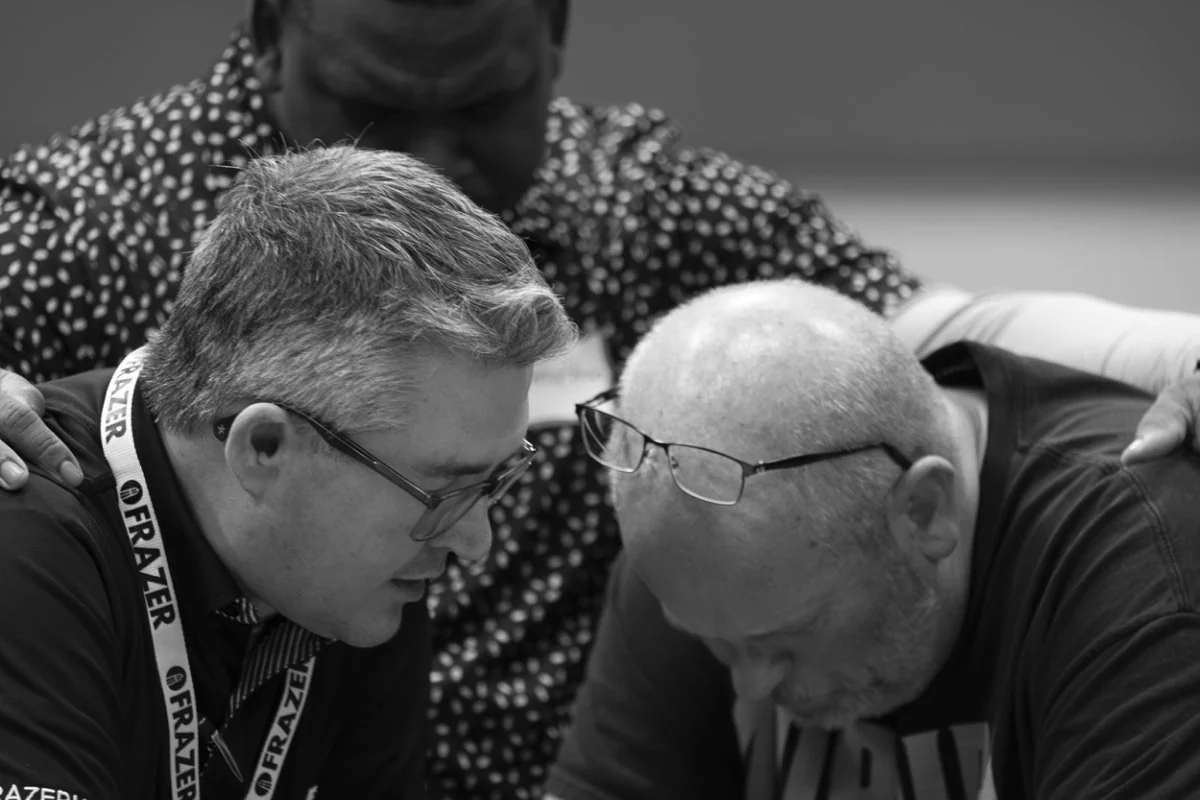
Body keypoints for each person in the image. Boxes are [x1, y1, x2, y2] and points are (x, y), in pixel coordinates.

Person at [1, 1, 1200, 796]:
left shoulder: (638, 198)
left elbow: (904, 333)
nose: (431, 153)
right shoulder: (87, 219)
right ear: (269, 42)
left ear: (553, 47)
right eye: (374, 104)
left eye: (481, 102)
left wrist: (1177, 347)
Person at [0, 145, 576, 799]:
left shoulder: (365, 581)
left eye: (496, 480)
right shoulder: (22, 542)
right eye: (449, 489)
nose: (477, 542)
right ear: (264, 448)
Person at [550, 279, 1200, 800]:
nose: (749, 686)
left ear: (923, 511)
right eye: (712, 643)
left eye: (781, 641)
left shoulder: (1139, 566)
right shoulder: (702, 548)